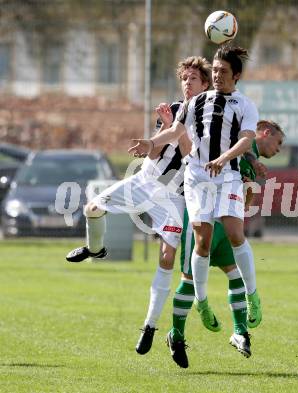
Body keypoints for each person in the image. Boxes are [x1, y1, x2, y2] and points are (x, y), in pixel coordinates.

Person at [65, 56, 212, 354]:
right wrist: (164, 130)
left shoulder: (210, 119)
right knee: (92, 208)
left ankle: (149, 326)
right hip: (145, 181)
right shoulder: (172, 109)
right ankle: (95, 249)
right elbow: (155, 155)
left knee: (167, 259)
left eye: (193, 79)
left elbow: (192, 158)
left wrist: (176, 130)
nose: (187, 83)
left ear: (206, 84)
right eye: (184, 78)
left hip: (173, 197)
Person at [129, 44, 264, 360]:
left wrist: (224, 157)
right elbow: (175, 131)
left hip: (227, 175)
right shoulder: (196, 102)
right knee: (201, 242)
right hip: (196, 179)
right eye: (214, 70)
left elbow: (246, 140)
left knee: (234, 233)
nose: (217, 75)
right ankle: (202, 302)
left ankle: (253, 295)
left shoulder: (245, 105)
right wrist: (152, 141)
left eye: (223, 71)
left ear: (237, 76)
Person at [168, 120, 284, 368]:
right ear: (266, 132)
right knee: (188, 281)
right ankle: (176, 335)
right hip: (202, 217)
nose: (279, 149)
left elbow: (244, 192)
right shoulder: (237, 141)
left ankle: (240, 333)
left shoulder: (250, 155)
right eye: (279, 142)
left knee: (237, 276)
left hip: (226, 223)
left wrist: (249, 187)